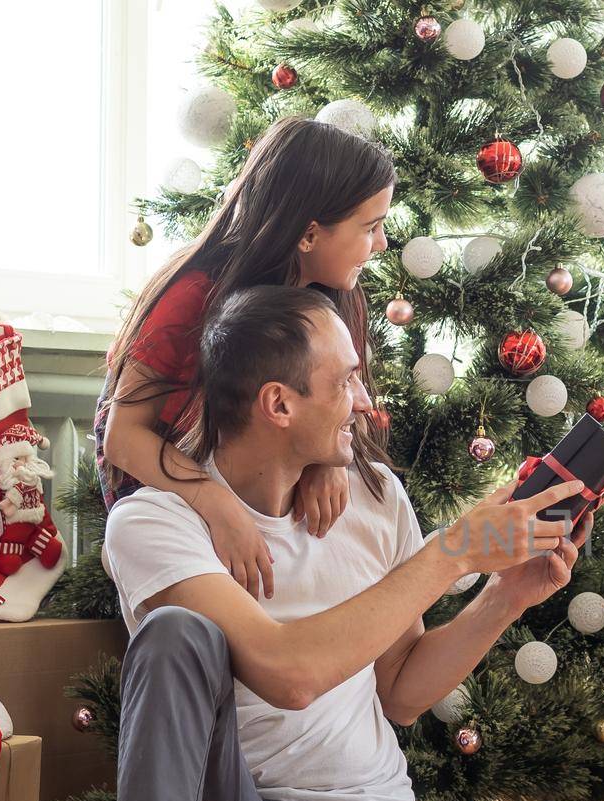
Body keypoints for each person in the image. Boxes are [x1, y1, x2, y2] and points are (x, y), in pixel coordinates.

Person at [75, 285, 604, 801]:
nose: (363, 401)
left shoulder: (376, 498)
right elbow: (290, 674)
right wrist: (453, 551)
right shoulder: (155, 519)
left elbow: (399, 691)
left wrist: (503, 598)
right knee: (174, 633)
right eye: (347, 380)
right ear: (279, 404)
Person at [95, 115, 394, 601]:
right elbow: (123, 438)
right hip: (169, 486)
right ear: (310, 234)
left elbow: (341, 396)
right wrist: (213, 502)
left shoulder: (340, 296)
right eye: (371, 227)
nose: (381, 244)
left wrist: (327, 462)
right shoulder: (191, 296)